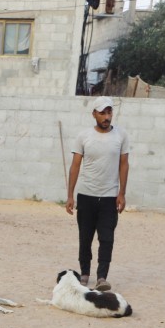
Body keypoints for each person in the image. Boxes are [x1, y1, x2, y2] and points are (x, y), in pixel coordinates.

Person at [65, 96, 130, 292]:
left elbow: (124, 164)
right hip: (86, 195)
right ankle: (84, 273)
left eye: (109, 112)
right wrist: (70, 195)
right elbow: (75, 166)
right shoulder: (84, 136)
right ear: (94, 114)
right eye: (102, 113)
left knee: (107, 238)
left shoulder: (121, 136)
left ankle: (102, 277)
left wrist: (122, 193)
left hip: (109, 197)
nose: (106, 117)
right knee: (85, 238)